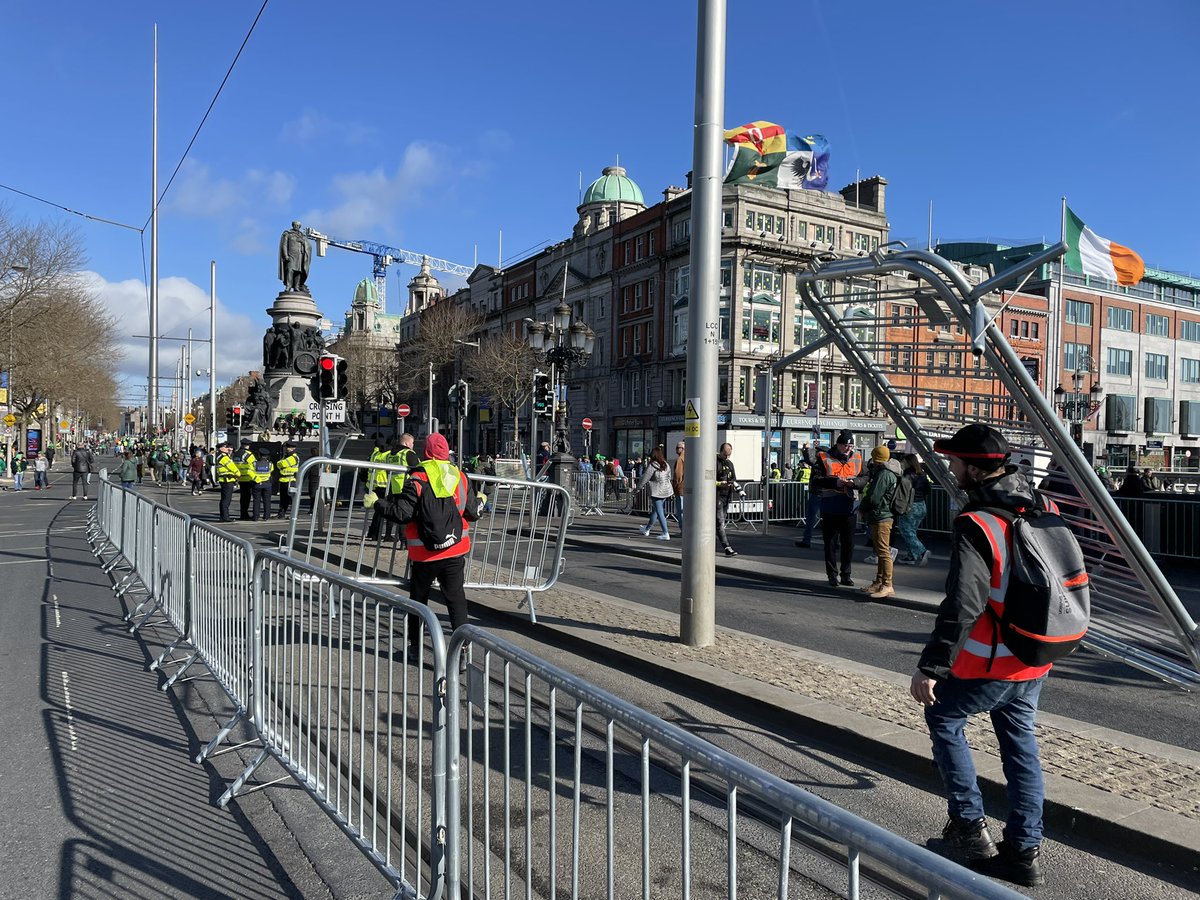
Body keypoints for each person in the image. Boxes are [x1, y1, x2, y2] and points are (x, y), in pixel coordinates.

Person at [910, 423, 1058, 888]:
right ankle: (1023, 851)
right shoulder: (1042, 506)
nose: (951, 469)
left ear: (975, 469)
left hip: (989, 660)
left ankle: (970, 829)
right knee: (1020, 746)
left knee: (944, 720)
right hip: (1034, 656)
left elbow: (964, 603)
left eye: (956, 463)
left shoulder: (978, 523)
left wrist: (931, 666)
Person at [362, 432, 485, 634]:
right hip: (455, 549)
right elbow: (472, 513)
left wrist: (377, 503)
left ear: (426, 452)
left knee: (419, 601)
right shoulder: (461, 477)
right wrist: (481, 501)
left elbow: (402, 514)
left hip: (424, 553)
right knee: (456, 600)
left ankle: (415, 647)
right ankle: (462, 650)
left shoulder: (417, 478)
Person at [809, 431, 862, 587]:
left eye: (850, 445)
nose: (848, 448)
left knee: (849, 543)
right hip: (831, 505)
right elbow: (816, 480)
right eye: (845, 445)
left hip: (850, 506)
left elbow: (865, 476)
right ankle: (832, 574)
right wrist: (834, 483)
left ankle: (846, 574)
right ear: (838, 444)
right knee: (830, 543)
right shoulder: (824, 458)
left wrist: (856, 483)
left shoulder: (857, 457)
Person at [859, 445, 902, 599]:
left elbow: (874, 497)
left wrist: (862, 507)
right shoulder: (889, 472)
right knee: (881, 551)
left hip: (881, 515)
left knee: (883, 552)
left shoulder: (884, 474)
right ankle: (879, 582)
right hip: (883, 514)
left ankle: (887, 584)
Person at [896, 454, 932, 567]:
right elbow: (928, 490)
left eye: (904, 461)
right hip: (921, 505)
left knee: (906, 531)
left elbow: (903, 492)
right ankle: (910, 556)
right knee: (912, 531)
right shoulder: (922, 475)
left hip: (910, 506)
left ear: (908, 462)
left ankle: (922, 551)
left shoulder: (907, 476)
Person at [637, 446, 674, 541]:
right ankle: (647, 529)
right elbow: (669, 476)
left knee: (659, 512)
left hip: (656, 491)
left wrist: (637, 489)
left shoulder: (652, 465)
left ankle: (666, 533)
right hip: (666, 490)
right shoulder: (666, 464)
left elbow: (644, 478)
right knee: (655, 511)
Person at [795, 441, 822, 548]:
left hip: (817, 492)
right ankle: (834, 542)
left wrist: (805, 449)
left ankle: (807, 540)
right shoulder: (831, 462)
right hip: (826, 493)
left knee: (811, 517)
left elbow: (809, 460)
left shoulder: (819, 462)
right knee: (830, 519)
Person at [715, 442, 739, 557]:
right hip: (717, 496)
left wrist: (734, 486)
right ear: (720, 451)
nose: (726, 457)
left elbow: (733, 479)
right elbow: (708, 479)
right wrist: (720, 483)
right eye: (725, 455)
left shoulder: (730, 463)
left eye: (728, 455)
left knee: (720, 523)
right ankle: (727, 547)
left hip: (727, 496)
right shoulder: (715, 462)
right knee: (720, 522)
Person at [279, 220, 312, 293]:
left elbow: (309, 246)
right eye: (295, 225)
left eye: (298, 225)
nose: (296, 226)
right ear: (292, 225)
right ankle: (288, 286)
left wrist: (304, 242)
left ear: (299, 227)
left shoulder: (302, 236)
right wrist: (285, 255)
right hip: (291, 255)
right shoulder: (288, 234)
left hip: (300, 256)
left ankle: (297, 287)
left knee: (298, 272)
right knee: (290, 271)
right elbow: (284, 245)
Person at [214, 439, 239, 522]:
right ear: (221, 449)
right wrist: (238, 474)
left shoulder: (221, 456)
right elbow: (232, 466)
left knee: (224, 499)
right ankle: (225, 517)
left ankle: (223, 516)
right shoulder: (224, 457)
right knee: (226, 500)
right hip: (227, 480)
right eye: (225, 447)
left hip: (225, 480)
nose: (227, 448)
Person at [274, 441, 300, 519]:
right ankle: (281, 514)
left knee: (291, 498)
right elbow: (278, 464)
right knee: (283, 499)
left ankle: (293, 514)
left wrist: (281, 464)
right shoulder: (286, 456)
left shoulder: (293, 457)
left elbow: (282, 464)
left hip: (290, 480)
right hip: (283, 479)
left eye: (289, 447)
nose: (287, 449)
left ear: (293, 448)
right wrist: (281, 464)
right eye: (287, 447)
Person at [234, 438, 257, 520]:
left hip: (240, 478)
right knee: (247, 498)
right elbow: (255, 465)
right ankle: (245, 515)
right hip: (248, 478)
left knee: (243, 497)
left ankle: (242, 513)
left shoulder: (236, 454)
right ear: (248, 445)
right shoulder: (248, 455)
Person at [250, 446, 273, 520]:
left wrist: (257, 479)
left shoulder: (254, 464)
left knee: (256, 501)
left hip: (257, 484)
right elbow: (271, 471)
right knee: (267, 501)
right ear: (267, 456)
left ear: (259, 455)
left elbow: (249, 472)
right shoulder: (270, 464)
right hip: (267, 484)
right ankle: (266, 516)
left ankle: (256, 517)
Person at [672, 441, 686, 536]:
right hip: (687, 487)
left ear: (682, 449)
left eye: (678, 447)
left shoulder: (680, 459)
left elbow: (678, 474)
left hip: (680, 488)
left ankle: (683, 530)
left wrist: (676, 485)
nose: (676, 449)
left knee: (680, 511)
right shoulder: (689, 457)